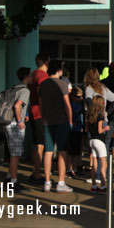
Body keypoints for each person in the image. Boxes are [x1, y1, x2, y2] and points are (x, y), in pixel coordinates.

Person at [39, 60, 73, 193]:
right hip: (62, 121)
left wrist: (43, 117)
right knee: (62, 151)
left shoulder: (43, 85)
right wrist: (70, 121)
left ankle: (47, 181)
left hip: (48, 121)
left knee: (48, 151)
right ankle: (61, 182)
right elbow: (67, 105)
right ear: (59, 70)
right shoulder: (63, 84)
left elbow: (41, 105)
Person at [3, 67, 32, 192]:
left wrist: (24, 115)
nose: (31, 77)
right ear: (26, 77)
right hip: (15, 123)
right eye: (30, 75)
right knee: (16, 154)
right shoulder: (25, 90)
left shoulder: (14, 88)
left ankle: (9, 177)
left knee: (13, 152)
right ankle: (13, 182)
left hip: (7, 122)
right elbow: (17, 105)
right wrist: (20, 121)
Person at [29, 52, 50, 182]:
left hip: (34, 111)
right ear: (46, 61)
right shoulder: (42, 75)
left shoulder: (34, 74)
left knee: (37, 143)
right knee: (40, 144)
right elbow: (42, 93)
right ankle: (37, 173)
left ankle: (35, 171)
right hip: (39, 113)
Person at [87, 95, 110, 193]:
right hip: (99, 141)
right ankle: (103, 186)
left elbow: (87, 129)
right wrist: (106, 128)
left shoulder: (89, 116)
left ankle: (94, 185)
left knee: (94, 163)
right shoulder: (100, 116)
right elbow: (100, 130)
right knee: (103, 163)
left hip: (91, 140)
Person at [67, 86, 84, 178]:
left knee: (77, 151)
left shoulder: (80, 105)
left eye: (82, 97)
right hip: (72, 129)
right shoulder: (71, 105)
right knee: (71, 151)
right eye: (78, 97)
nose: (81, 99)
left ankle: (75, 167)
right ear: (73, 97)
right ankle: (69, 168)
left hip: (78, 129)